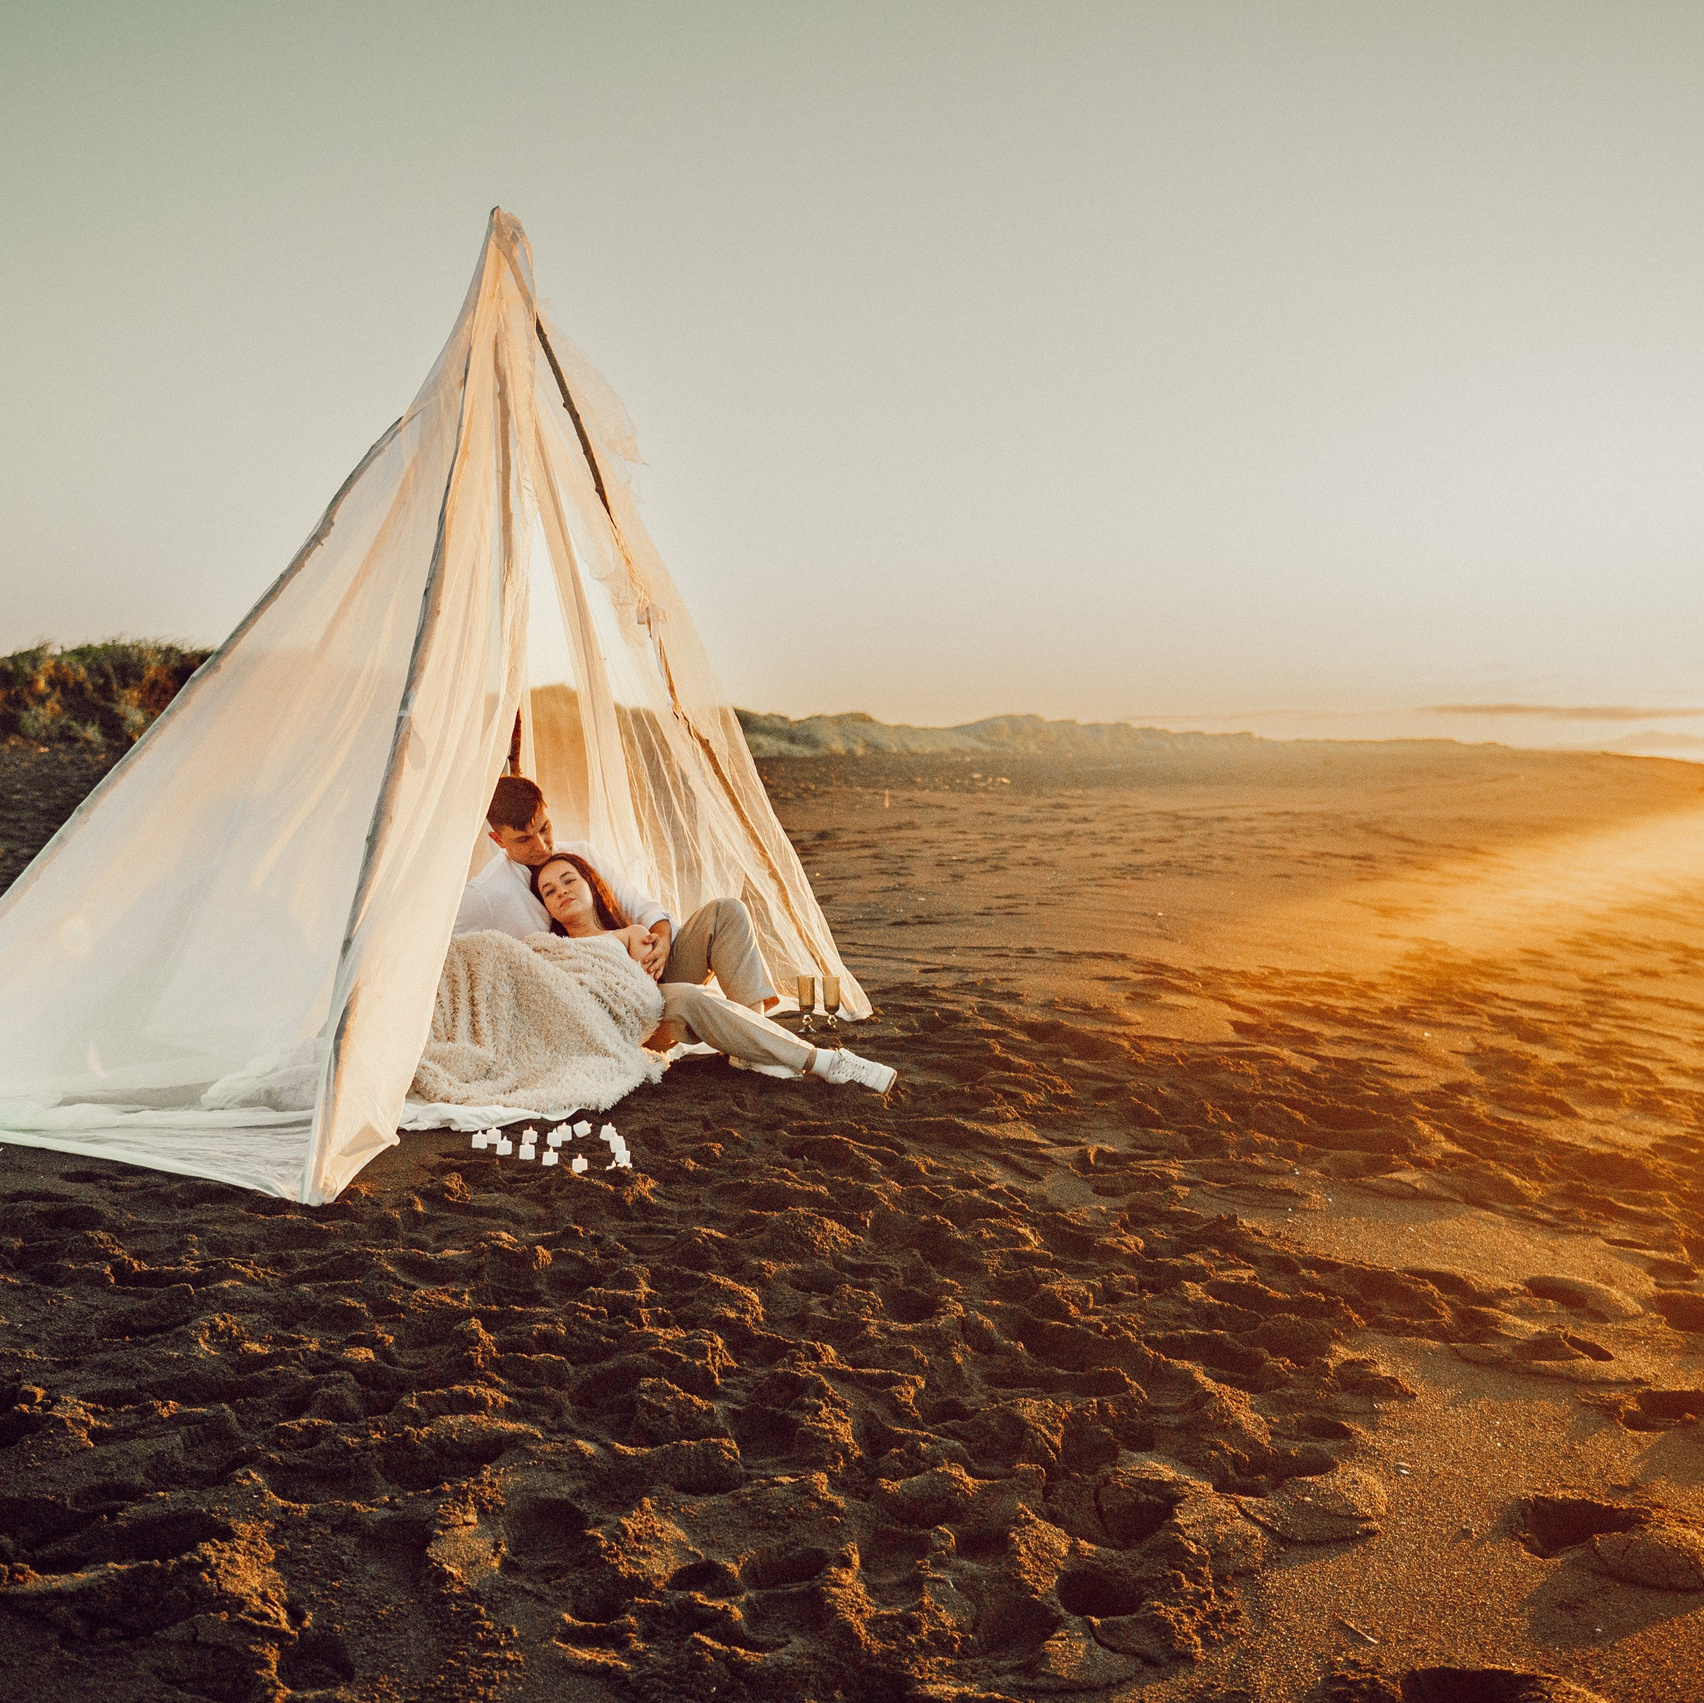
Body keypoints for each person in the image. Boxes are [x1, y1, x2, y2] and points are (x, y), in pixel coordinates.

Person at [530, 850, 896, 1091]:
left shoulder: (628, 931)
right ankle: (823, 1061)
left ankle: (751, 1047)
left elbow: (646, 970)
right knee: (688, 997)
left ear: (590, 884)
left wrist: (650, 946)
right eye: (549, 891)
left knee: (726, 910)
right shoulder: (556, 949)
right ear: (547, 907)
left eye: (568, 880)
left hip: (652, 993)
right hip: (632, 1022)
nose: (561, 891)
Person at [455, 776, 778, 1015]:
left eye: (544, 828)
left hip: (649, 966)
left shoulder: (581, 854)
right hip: (606, 1005)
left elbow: (643, 907)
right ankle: (756, 1041)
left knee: (727, 910)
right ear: (498, 840)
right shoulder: (486, 894)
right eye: (524, 839)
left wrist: (663, 943)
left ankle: (756, 1027)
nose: (541, 845)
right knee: (690, 1000)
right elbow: (447, 956)